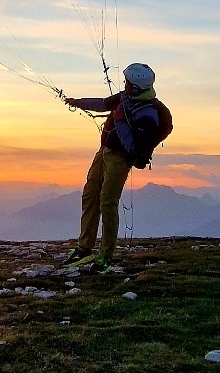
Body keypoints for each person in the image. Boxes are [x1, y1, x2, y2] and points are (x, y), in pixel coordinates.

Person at [63, 63, 173, 268]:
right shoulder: (126, 98)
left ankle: (105, 255)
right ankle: (84, 247)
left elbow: (133, 148)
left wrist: (120, 119)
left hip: (119, 159)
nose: (125, 85)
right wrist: (77, 103)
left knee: (107, 202)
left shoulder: (148, 116)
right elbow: (104, 103)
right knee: (90, 195)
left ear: (137, 87)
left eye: (128, 83)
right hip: (103, 152)